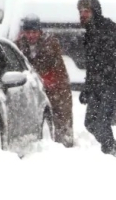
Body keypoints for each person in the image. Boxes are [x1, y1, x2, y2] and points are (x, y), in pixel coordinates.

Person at [77, 0, 116, 158]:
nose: (82, 15)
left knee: (102, 124)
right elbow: (92, 68)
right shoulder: (88, 35)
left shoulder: (110, 29)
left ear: (95, 12)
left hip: (112, 85)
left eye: (86, 11)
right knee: (90, 123)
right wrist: (87, 88)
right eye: (80, 12)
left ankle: (110, 153)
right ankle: (114, 147)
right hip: (96, 87)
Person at [15, 14, 74, 147]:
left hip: (56, 87)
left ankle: (64, 144)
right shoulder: (18, 45)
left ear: (39, 31)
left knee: (61, 116)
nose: (31, 36)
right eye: (28, 32)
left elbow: (58, 68)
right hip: (33, 86)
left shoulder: (50, 43)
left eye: (34, 32)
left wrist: (47, 80)